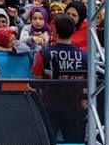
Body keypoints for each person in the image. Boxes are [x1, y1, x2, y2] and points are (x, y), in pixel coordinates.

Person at [32, 15, 87, 143]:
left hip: (50, 107)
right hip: (75, 108)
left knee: (47, 141)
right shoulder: (85, 56)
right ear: (73, 30)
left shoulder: (44, 54)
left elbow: (37, 80)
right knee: (75, 143)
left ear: (55, 31)